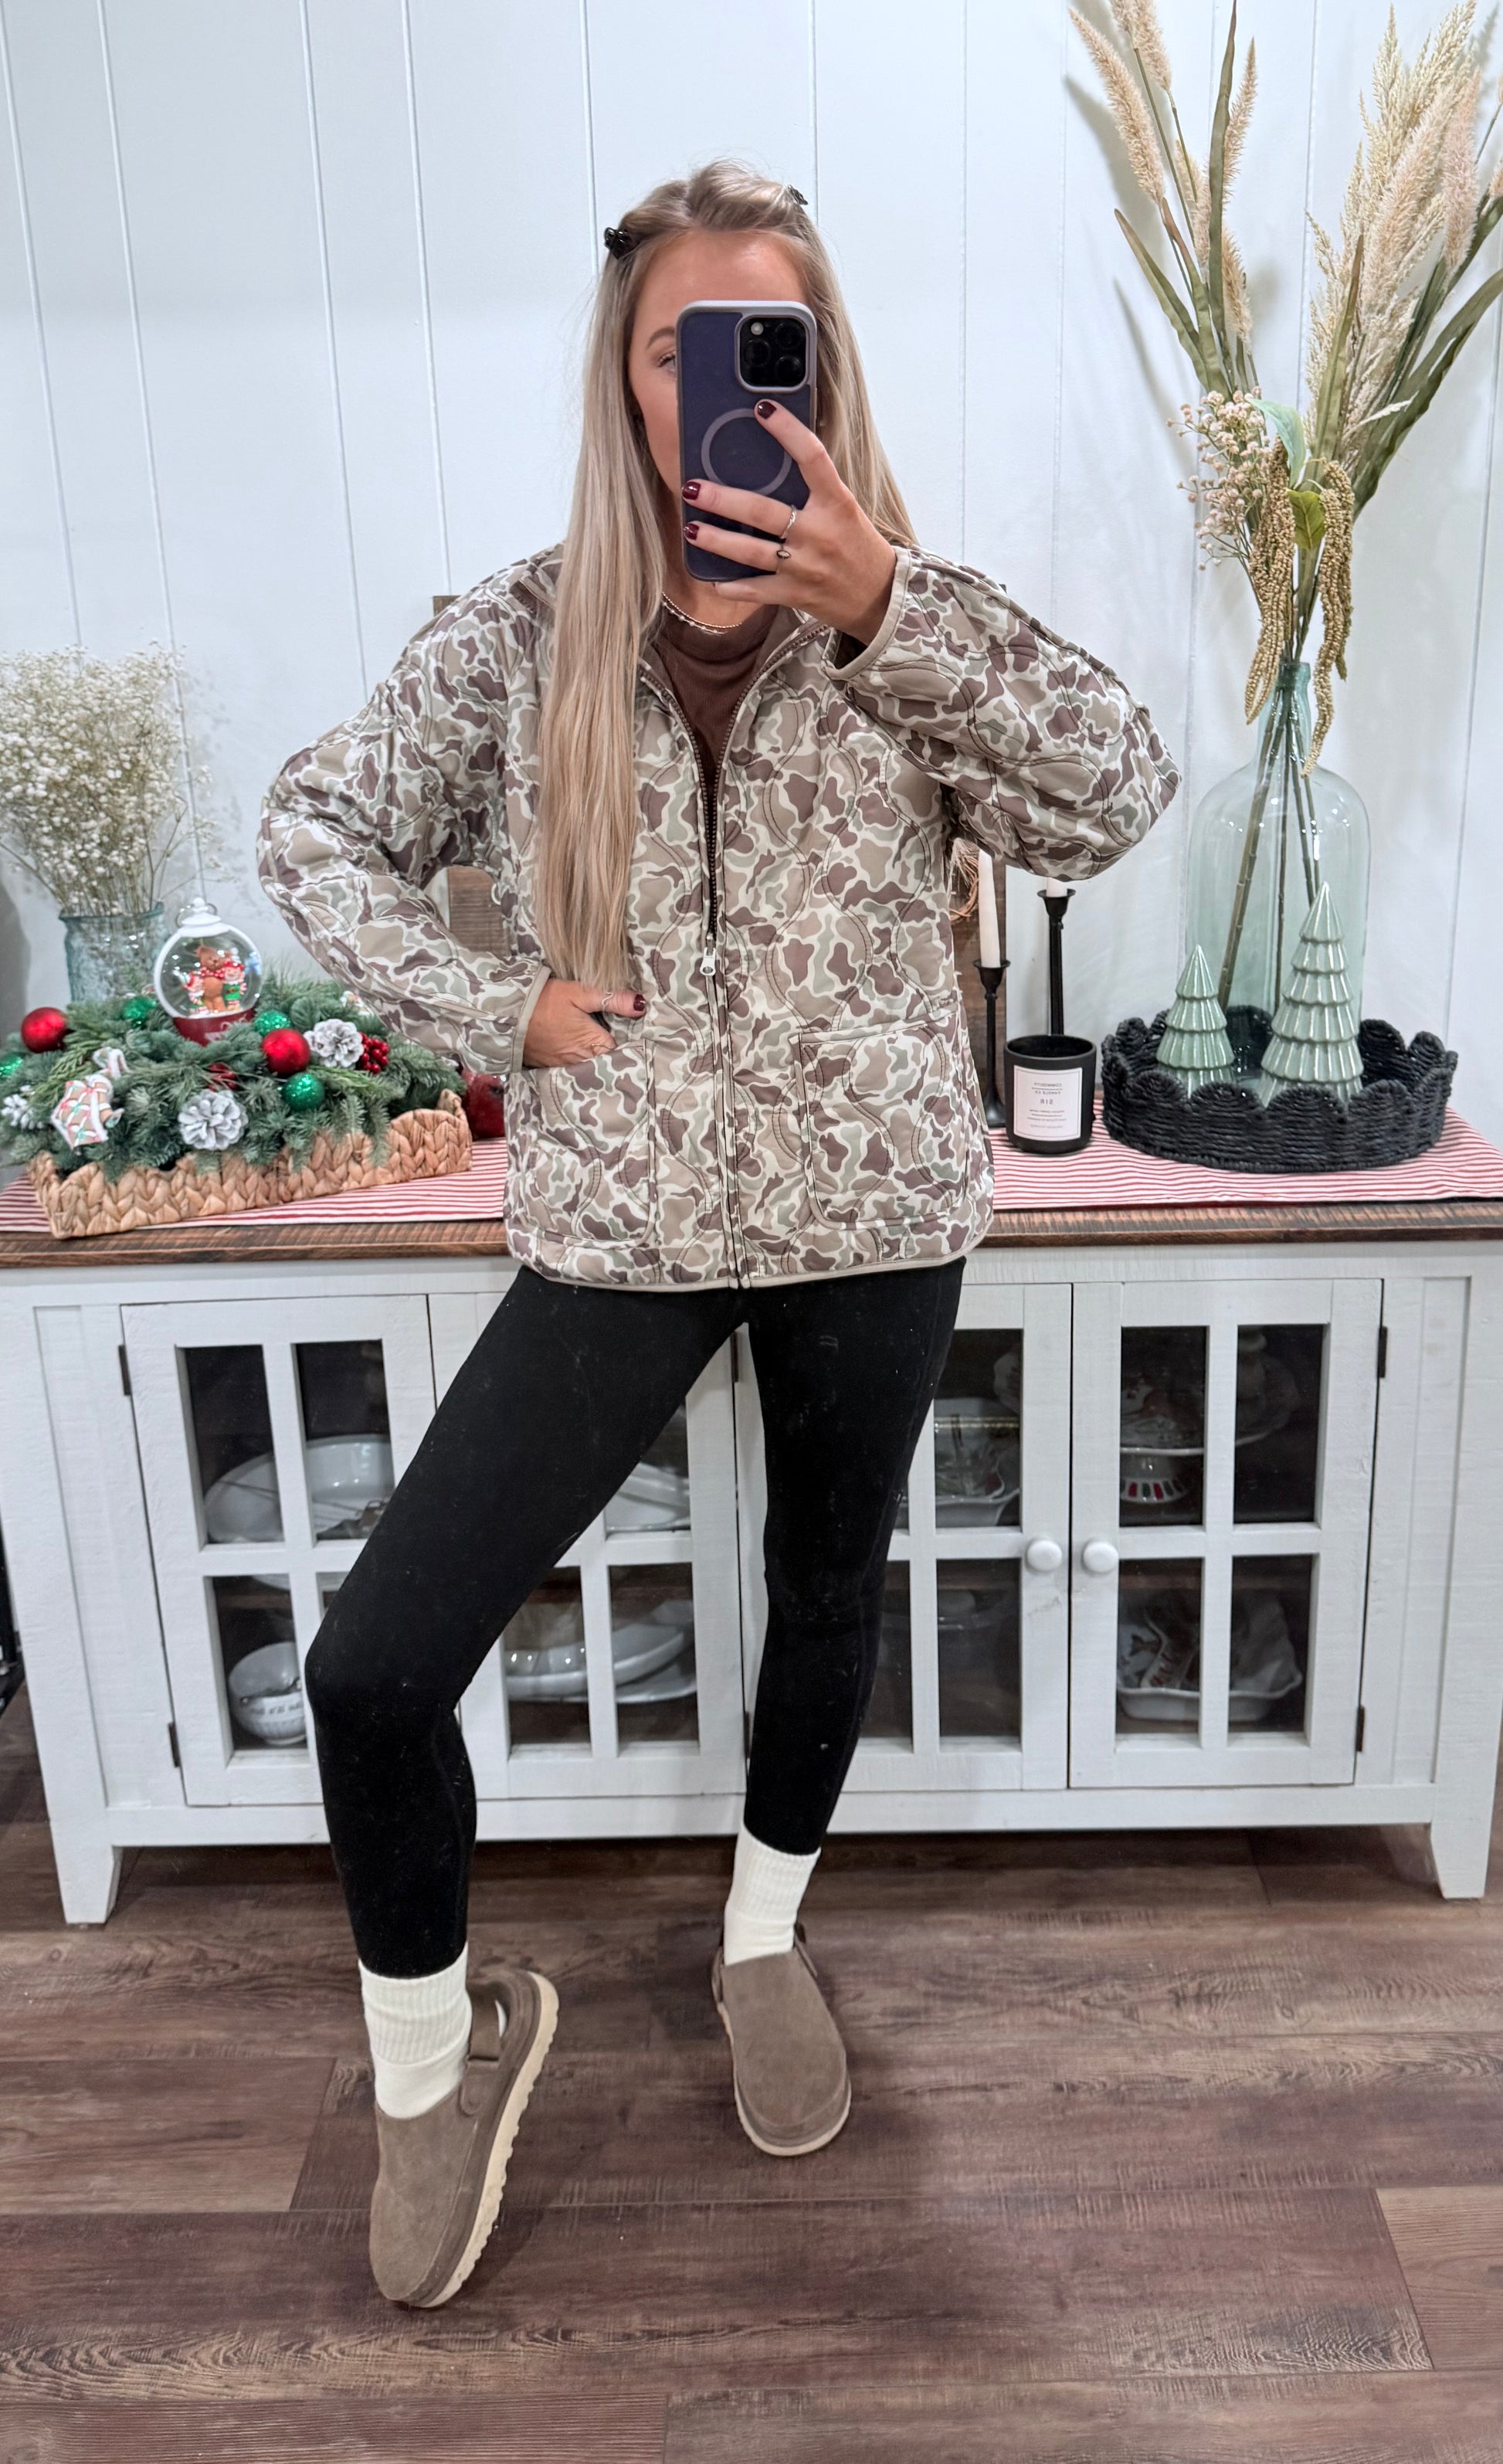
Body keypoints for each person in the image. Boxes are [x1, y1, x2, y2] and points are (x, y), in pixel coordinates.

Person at [258, 159, 1179, 2309]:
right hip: (624, 1222)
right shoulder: (517, 637)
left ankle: (763, 1936)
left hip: (874, 1209)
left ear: (822, 372)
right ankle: (431, 2061)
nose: (728, 389)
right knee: (376, 1665)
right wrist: (493, 1003)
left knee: (826, 1585)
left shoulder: (907, 622)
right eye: (689, 349)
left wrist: (889, 608)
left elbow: (1115, 795)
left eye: (775, 344)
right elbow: (316, 831)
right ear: (630, 379)